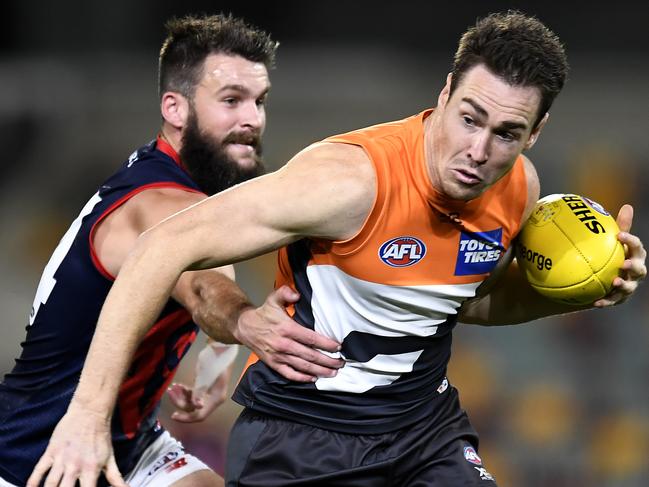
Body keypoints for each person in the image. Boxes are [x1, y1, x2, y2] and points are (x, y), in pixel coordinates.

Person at [28, 10, 647, 487]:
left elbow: (466, 301)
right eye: (469, 117)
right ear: (445, 92)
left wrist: (572, 290)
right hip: (302, 438)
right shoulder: (347, 181)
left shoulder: (520, 188)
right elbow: (161, 248)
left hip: (423, 430)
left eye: (506, 133)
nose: (478, 151)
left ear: (534, 134)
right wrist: (88, 414)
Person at [0, 13, 344, 487]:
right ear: (175, 109)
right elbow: (202, 288)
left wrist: (218, 357)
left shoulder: (187, 190)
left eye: (259, 101)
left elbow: (210, 265)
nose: (252, 119)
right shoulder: (159, 205)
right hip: (44, 449)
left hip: (133, 442)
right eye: (231, 100)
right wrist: (244, 324)